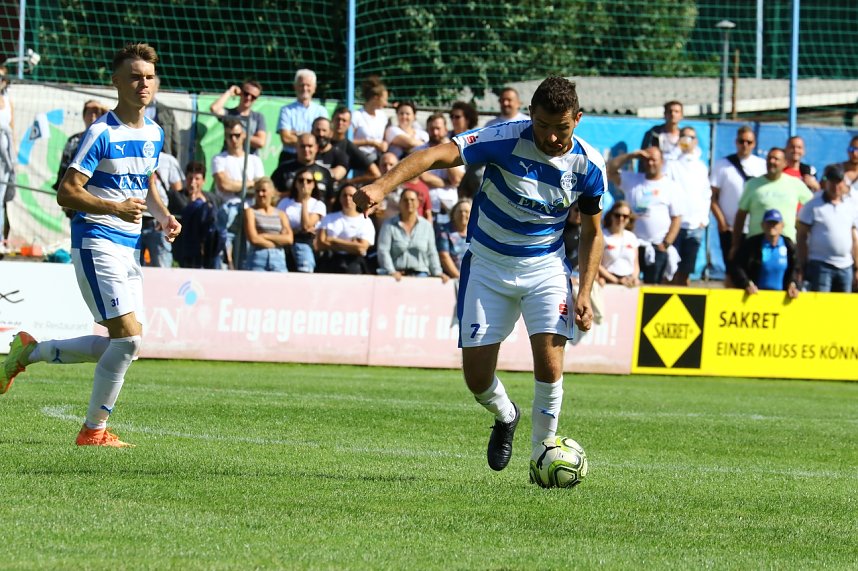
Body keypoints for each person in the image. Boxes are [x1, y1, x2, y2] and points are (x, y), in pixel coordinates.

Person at [354, 76, 605, 476]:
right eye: (543, 126)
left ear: (577, 120)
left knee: (550, 361)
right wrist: (383, 185)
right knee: (476, 378)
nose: (553, 137)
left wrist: (585, 293)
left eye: (562, 128)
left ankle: (543, 449)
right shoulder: (502, 138)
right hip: (487, 265)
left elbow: (593, 231)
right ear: (529, 116)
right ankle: (506, 415)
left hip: (545, 268)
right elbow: (436, 155)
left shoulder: (589, 166)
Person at [1, 43, 181, 448]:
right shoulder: (101, 132)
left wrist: (164, 215)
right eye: (134, 76)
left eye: (149, 76)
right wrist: (113, 208)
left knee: (126, 344)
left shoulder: (154, 132)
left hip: (129, 246)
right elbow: (67, 191)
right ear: (116, 82)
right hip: (96, 241)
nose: (143, 83)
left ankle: (27, 353)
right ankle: (92, 432)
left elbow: (146, 182)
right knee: (129, 339)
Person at [608, 146, 682, 284]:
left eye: (654, 160)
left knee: (652, 288)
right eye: (646, 160)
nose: (650, 163)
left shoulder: (670, 186)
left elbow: (676, 218)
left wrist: (666, 243)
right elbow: (608, 170)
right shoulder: (632, 180)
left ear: (662, 162)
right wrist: (631, 156)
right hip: (631, 245)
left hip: (656, 246)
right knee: (627, 284)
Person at [730, 147, 813, 263]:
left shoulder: (795, 184)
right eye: (769, 158)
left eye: (776, 159)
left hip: (787, 244)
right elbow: (741, 215)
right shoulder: (752, 185)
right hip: (757, 244)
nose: (772, 162)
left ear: (784, 163)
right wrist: (736, 244)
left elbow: (813, 206)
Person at [710, 125, 767, 279]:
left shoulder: (762, 165)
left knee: (753, 270)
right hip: (730, 228)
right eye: (742, 141)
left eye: (749, 142)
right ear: (736, 142)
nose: (745, 145)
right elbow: (712, 197)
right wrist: (721, 222)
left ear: (754, 144)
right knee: (732, 270)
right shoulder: (723, 165)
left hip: (755, 228)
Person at [212, 118, 264, 268]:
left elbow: (259, 187)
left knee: (247, 255)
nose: (234, 139)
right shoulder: (219, 159)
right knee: (224, 254)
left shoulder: (254, 160)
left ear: (244, 136)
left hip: (250, 211)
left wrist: (239, 186)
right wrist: (249, 184)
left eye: (237, 135)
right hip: (228, 210)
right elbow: (224, 185)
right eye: (230, 136)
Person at [796, 164, 858, 293]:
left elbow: (854, 238)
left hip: (846, 266)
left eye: (838, 182)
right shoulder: (813, 205)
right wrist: (802, 264)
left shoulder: (850, 206)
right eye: (832, 182)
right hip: (820, 265)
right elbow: (801, 236)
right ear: (826, 183)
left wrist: (857, 267)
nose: (835, 187)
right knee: (822, 306)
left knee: (843, 307)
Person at [664, 126, 711, 285]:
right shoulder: (672, 163)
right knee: (669, 270)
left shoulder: (701, 167)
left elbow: (706, 194)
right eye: (683, 136)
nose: (686, 140)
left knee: (685, 271)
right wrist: (675, 151)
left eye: (690, 137)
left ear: (696, 141)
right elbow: (664, 178)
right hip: (674, 226)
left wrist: (703, 220)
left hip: (694, 227)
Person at [375, 188, 447, 281]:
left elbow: (431, 252)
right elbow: (383, 250)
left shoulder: (426, 226)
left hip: (421, 276)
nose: (409, 202)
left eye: (412, 200)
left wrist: (437, 272)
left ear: (418, 203)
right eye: (405, 200)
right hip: (396, 276)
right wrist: (391, 271)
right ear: (399, 203)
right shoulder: (389, 225)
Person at [53, 100, 108, 220]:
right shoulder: (74, 140)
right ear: (83, 116)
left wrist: (104, 108)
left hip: (100, 199)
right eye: (89, 113)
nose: (93, 116)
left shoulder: (108, 140)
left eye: (97, 113)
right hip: (77, 197)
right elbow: (64, 168)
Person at [730, 209, 800, 299]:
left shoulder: (789, 246)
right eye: (769, 223)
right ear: (762, 225)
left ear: (782, 226)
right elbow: (737, 266)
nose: (772, 226)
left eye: (775, 223)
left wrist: (793, 284)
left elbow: (796, 268)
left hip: (782, 298)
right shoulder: (752, 244)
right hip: (755, 296)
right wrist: (746, 283)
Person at [316, 184, 376, 274]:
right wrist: (352, 244)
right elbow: (320, 244)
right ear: (339, 198)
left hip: (354, 264)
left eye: (351, 195)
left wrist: (333, 240)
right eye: (344, 195)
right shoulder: (329, 218)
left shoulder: (365, 221)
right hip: (330, 262)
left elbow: (362, 248)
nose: (348, 198)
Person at [173, 161, 222, 269]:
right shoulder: (177, 197)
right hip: (185, 250)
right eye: (190, 178)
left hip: (208, 252)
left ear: (204, 181)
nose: (193, 182)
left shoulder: (213, 199)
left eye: (197, 179)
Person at [276, 166, 326, 272]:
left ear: (313, 185)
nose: (304, 183)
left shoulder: (318, 204)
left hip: (306, 244)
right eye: (300, 180)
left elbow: (306, 225)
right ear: (295, 183)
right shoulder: (285, 202)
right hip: (286, 245)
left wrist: (304, 201)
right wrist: (296, 230)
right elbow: (279, 225)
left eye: (309, 181)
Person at [418, 113, 464, 226]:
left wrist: (447, 153)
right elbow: (422, 177)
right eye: (432, 129)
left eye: (438, 128)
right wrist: (446, 183)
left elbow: (457, 180)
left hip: (449, 209)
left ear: (445, 130)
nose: (435, 133)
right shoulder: (418, 151)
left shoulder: (455, 151)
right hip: (425, 208)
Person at [141, 150, 184, 267]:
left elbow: (177, 192)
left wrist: (165, 217)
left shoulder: (168, 160)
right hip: (133, 219)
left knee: (163, 270)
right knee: (130, 274)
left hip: (157, 223)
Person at [277, 69, 328, 164]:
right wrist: (310, 138)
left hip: (314, 160)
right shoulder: (286, 110)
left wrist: (297, 134)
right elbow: (286, 138)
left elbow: (323, 138)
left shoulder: (321, 111)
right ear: (295, 87)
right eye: (301, 85)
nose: (305, 88)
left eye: (308, 85)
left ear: (314, 88)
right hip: (289, 158)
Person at [243, 177, 292, 272]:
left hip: (278, 259)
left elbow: (289, 239)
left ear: (272, 192)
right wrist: (277, 242)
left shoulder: (281, 214)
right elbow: (253, 238)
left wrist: (264, 235)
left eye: (263, 191)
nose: (260, 194)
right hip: (257, 257)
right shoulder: (250, 212)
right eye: (257, 191)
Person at [271, 132, 335, 204]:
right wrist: (291, 194)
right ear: (296, 147)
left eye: (310, 146)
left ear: (316, 148)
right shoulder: (283, 169)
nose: (306, 149)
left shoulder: (325, 172)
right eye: (302, 146)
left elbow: (331, 200)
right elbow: (271, 194)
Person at [209, 78, 267, 154]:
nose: (248, 98)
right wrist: (229, 92)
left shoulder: (258, 117)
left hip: (250, 159)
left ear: (256, 99)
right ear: (241, 93)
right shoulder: (229, 113)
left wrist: (241, 135)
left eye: (253, 97)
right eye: (246, 94)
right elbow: (214, 108)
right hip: (229, 157)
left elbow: (261, 143)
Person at [329, 106, 382, 185]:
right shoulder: (321, 142)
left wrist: (348, 182)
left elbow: (376, 174)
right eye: (338, 119)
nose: (340, 123)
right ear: (332, 120)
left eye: (344, 120)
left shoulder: (349, 147)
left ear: (349, 124)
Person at [598, 201, 640, 287]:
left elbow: (636, 264)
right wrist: (616, 280)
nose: (621, 219)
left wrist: (634, 278)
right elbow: (597, 265)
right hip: (608, 281)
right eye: (617, 215)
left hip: (629, 281)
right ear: (611, 216)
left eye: (625, 216)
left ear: (629, 218)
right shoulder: (602, 235)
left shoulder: (632, 237)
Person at [351, 75, 390, 164]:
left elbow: (384, 138)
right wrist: (370, 143)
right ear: (376, 98)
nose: (386, 103)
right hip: (360, 157)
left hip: (378, 157)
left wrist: (384, 144)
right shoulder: (356, 115)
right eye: (385, 99)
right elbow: (348, 141)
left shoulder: (382, 116)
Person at [145, 75, 181, 158]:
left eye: (151, 86)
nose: (146, 89)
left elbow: (175, 139)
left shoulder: (166, 111)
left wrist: (175, 160)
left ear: (157, 88)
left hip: (162, 156)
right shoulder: (131, 110)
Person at [639, 100, 683, 166]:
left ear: (681, 115)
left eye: (676, 111)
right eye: (670, 111)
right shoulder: (653, 134)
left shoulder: (685, 136)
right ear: (664, 114)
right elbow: (644, 157)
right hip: (659, 174)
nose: (672, 114)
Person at [436, 198, 471, 280]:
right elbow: (444, 256)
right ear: (453, 214)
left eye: (466, 212)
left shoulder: (476, 233)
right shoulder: (444, 231)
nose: (463, 214)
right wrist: (459, 278)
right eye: (460, 211)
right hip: (452, 279)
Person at [0, 68, 15, 251]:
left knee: (1, 199)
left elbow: (12, 131)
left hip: (4, 157)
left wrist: (14, 161)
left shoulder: (9, 101)